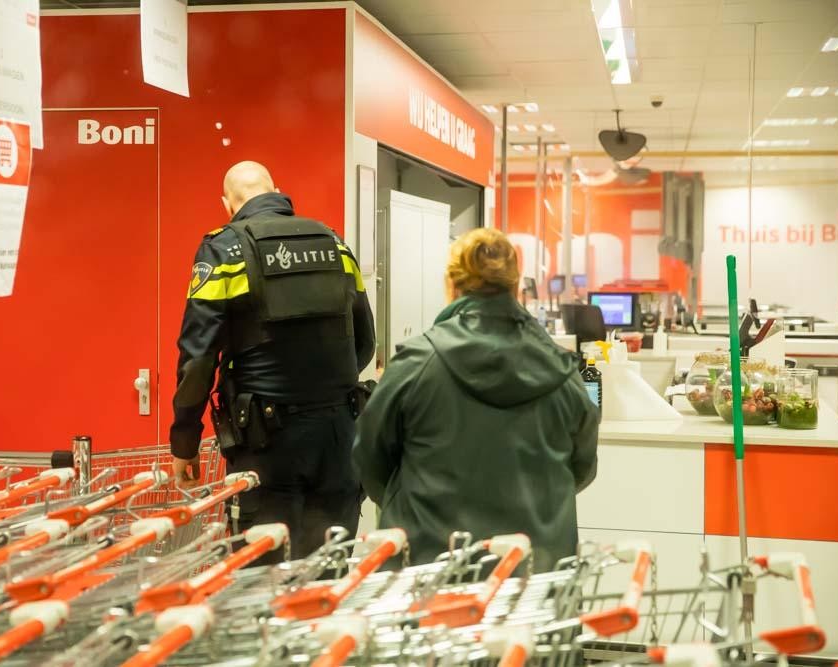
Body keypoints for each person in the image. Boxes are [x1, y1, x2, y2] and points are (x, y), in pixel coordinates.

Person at [352, 228, 598, 571]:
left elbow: (370, 458)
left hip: (430, 570)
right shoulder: (563, 373)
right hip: (533, 571)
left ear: (451, 286)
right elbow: (582, 468)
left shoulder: (416, 365)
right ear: (516, 288)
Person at [170, 160, 375, 560]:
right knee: (327, 567)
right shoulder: (334, 244)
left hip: (265, 443)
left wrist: (185, 441)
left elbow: (198, 360)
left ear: (228, 204)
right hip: (338, 437)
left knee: (263, 573)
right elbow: (365, 342)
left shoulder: (223, 250)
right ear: (277, 191)